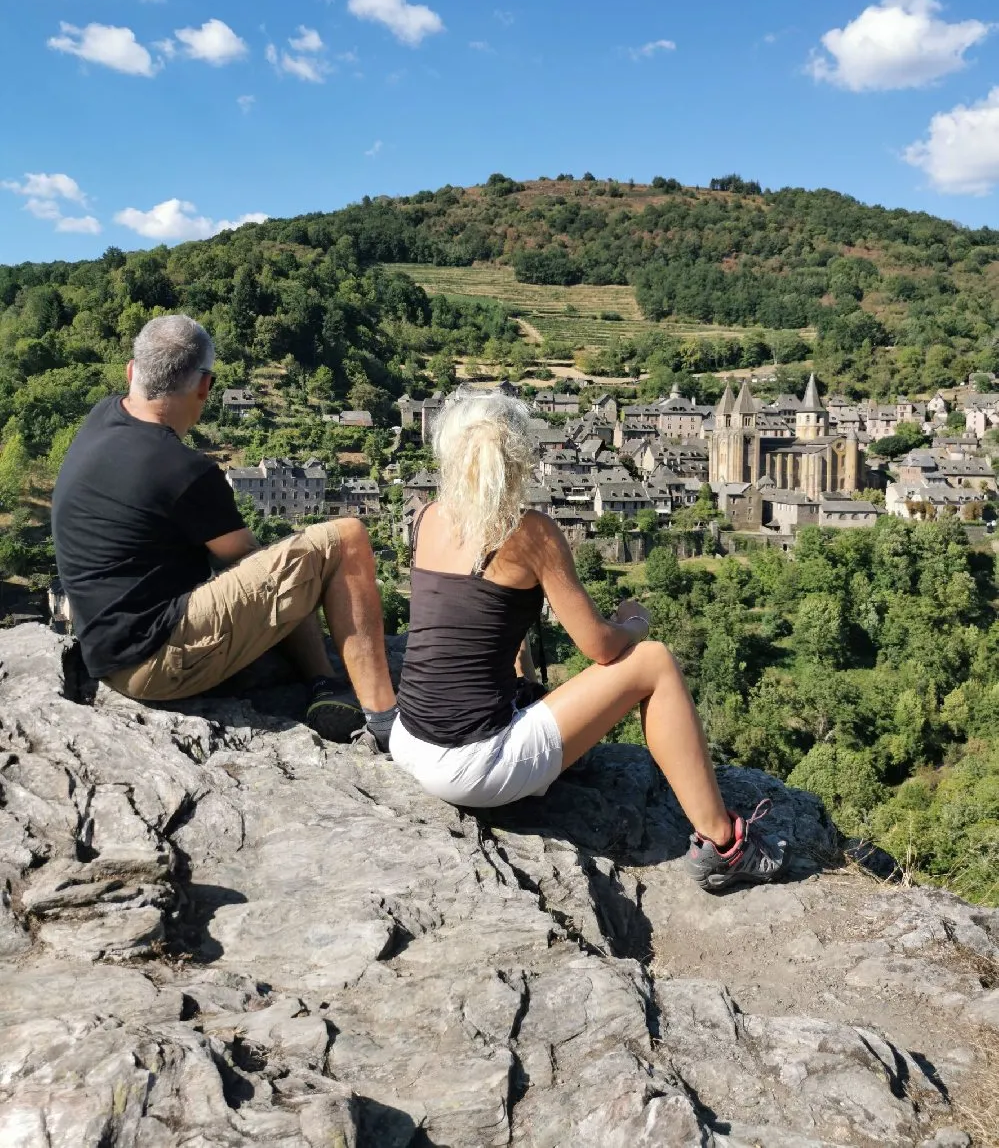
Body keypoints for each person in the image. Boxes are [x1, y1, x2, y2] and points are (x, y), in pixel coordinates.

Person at [390, 390, 785, 893]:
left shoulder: (427, 517)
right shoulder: (530, 533)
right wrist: (634, 624)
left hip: (411, 737)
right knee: (655, 662)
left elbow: (477, 630)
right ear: (519, 458)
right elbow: (600, 647)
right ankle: (725, 844)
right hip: (469, 765)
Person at [52, 314, 397, 746]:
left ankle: (322, 684)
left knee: (280, 562)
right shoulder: (183, 470)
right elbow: (251, 561)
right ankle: (385, 720)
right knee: (346, 538)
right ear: (205, 386)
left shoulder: (103, 416)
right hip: (156, 662)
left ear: (131, 372)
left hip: (109, 651)